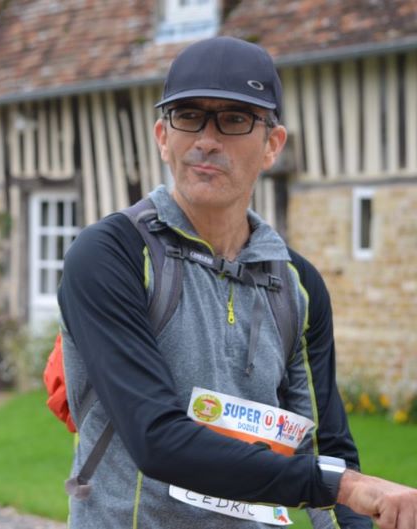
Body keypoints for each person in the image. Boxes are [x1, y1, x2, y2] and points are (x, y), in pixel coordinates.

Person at [58, 36, 417, 529]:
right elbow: (157, 440)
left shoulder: (298, 286)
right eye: (189, 116)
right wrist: (346, 487)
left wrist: (349, 497)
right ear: (162, 136)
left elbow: (324, 446)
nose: (207, 139)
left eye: (234, 119)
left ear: (272, 145)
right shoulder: (111, 255)